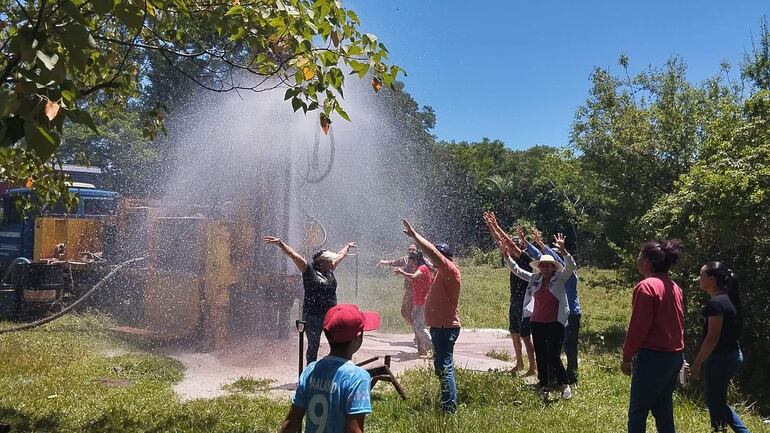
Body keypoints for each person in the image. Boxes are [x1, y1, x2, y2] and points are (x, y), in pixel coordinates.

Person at [278, 304, 381, 433]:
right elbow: (354, 430)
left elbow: (291, 424)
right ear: (358, 337)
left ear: (326, 334)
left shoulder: (310, 370)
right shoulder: (358, 378)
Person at [621, 240, 685, 433]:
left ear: (647, 262)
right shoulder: (675, 287)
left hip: (653, 357)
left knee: (638, 412)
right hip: (674, 356)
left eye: (640, 255)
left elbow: (638, 328)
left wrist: (626, 357)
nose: (637, 259)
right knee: (663, 409)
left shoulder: (646, 287)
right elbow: (679, 324)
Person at [505, 230, 576, 400]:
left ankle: (564, 384)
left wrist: (563, 251)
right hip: (537, 322)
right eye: (542, 265)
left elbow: (571, 266)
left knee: (553, 355)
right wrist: (507, 257)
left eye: (548, 265)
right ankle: (544, 386)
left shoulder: (560, 278)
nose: (544, 268)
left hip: (555, 323)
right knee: (541, 355)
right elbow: (518, 271)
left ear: (553, 267)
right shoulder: (535, 279)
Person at [263, 236, 357, 364]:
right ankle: (310, 371)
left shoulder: (330, 269)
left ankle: (335, 368)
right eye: (329, 261)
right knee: (314, 345)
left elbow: (340, 256)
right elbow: (293, 255)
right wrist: (280, 243)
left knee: (337, 343)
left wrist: (347, 246)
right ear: (321, 262)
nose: (332, 263)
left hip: (330, 315)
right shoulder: (308, 270)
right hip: (313, 315)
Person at [401, 219, 461, 413]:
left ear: (445, 258)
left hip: (445, 328)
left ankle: (449, 410)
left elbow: (433, 254)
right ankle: (446, 401)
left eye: (437, 256)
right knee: (440, 365)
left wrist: (415, 236)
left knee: (444, 367)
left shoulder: (449, 269)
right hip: (439, 327)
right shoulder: (440, 273)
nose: (432, 260)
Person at [689, 262, 750, 433]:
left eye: (701, 275)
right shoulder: (727, 299)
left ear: (712, 279)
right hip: (730, 355)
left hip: (720, 359)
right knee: (715, 400)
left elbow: (712, 338)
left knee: (715, 401)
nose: (698, 278)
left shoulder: (716, 304)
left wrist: (697, 364)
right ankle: (719, 430)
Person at [524, 226, 581, 385]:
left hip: (570, 314)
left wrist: (554, 248)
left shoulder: (566, 275)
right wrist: (532, 243)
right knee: (552, 351)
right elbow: (541, 258)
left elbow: (556, 259)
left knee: (569, 348)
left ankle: (571, 378)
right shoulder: (550, 275)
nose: (546, 267)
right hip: (554, 315)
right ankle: (551, 378)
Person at [482, 211, 536, 376]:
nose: (510, 245)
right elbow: (501, 242)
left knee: (526, 335)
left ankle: (533, 368)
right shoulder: (512, 258)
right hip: (514, 301)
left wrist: (496, 225)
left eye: (515, 244)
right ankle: (519, 363)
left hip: (525, 302)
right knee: (514, 333)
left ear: (521, 246)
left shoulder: (526, 258)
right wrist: (491, 227)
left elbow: (509, 243)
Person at [393, 250, 433, 356]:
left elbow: (413, 277)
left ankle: (434, 347)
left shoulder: (422, 268)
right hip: (418, 302)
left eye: (409, 259)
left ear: (413, 259)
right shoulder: (418, 268)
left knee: (419, 327)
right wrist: (402, 274)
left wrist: (401, 272)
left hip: (422, 302)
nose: (408, 262)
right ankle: (422, 349)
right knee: (417, 326)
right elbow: (412, 280)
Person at [377, 244, 418, 329]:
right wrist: (383, 262)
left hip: (417, 289)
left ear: (416, 250)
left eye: (413, 249)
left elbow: (431, 267)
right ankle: (418, 330)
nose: (411, 251)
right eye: (409, 249)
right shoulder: (405, 259)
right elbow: (394, 262)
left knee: (414, 312)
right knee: (404, 313)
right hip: (408, 289)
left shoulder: (420, 259)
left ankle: (419, 332)